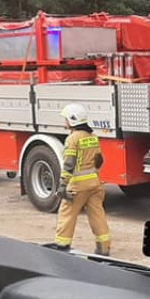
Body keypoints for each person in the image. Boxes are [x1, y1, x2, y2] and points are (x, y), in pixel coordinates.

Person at [48, 103, 110, 255]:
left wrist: (63, 185)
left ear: (72, 120)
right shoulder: (93, 137)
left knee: (67, 215)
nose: (65, 122)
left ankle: (62, 246)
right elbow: (99, 160)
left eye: (66, 119)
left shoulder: (72, 139)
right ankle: (104, 248)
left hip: (77, 186)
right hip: (94, 184)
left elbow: (69, 164)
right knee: (98, 215)